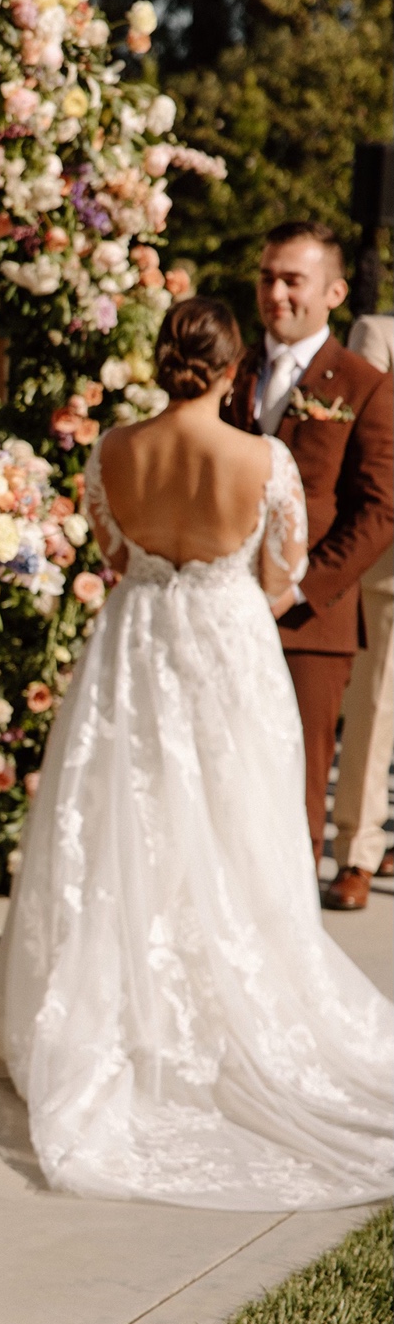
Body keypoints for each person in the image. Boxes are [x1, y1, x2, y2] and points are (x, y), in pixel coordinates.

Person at [0, 296, 394, 1210]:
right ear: (232, 366)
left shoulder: (112, 450)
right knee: (235, 820)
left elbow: (112, 556)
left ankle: (127, 996)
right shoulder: (262, 459)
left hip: (132, 644)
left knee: (126, 816)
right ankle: (215, 997)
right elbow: (283, 575)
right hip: (227, 647)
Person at [226, 221, 394, 866]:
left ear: (334, 292)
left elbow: (379, 510)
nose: (276, 294)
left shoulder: (363, 384)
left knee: (296, 788)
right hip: (221, 607)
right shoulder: (230, 371)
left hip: (309, 623)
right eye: (267, 278)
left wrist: (297, 589)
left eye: (293, 280)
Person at [325, 310, 394, 910]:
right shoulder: (379, 334)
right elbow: (366, 442)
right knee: (375, 705)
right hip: (390, 560)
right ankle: (357, 851)